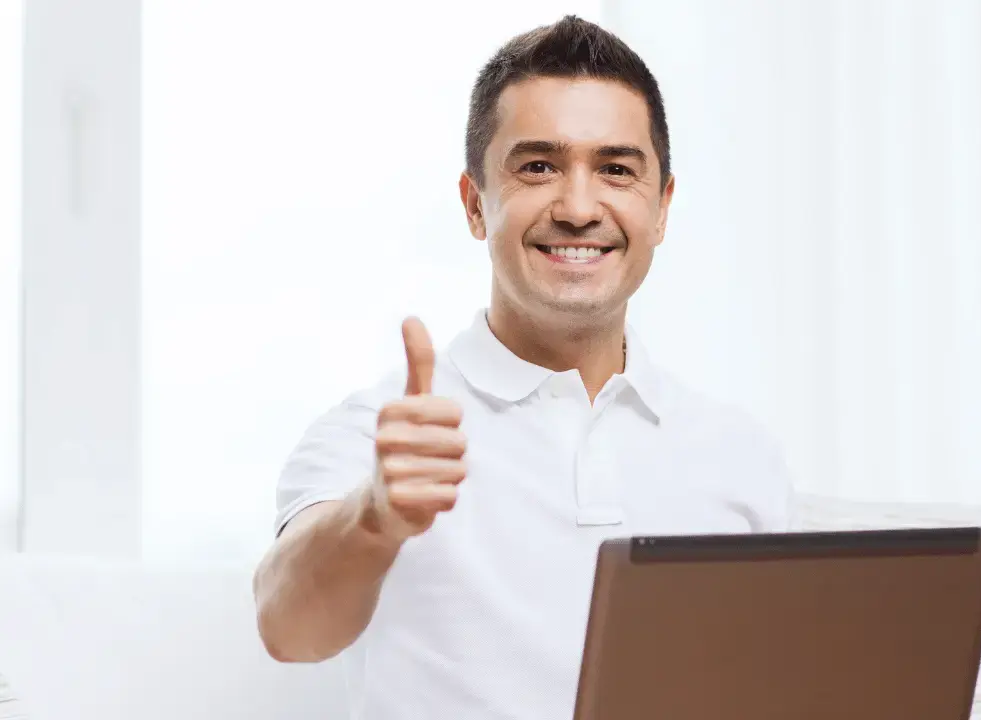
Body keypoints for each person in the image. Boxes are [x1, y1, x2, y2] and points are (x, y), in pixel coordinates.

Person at [252, 14, 793, 720]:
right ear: (476, 204)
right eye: (538, 166)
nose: (577, 207)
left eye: (616, 170)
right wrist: (375, 516)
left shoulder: (739, 454)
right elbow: (287, 629)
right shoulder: (381, 437)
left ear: (661, 208)